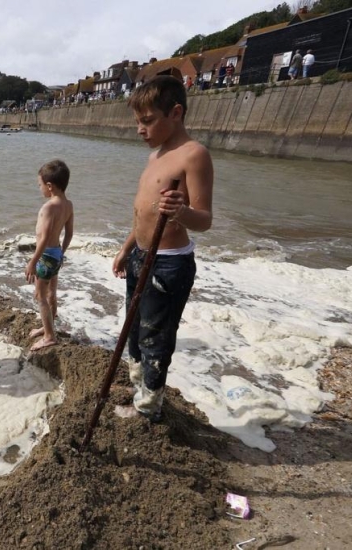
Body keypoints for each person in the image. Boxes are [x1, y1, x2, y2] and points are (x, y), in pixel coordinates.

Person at [112, 75, 214, 422]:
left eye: (148, 121)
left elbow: (204, 220)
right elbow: (142, 213)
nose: (140, 129)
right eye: (137, 122)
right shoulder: (155, 156)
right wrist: (127, 248)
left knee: (156, 337)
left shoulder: (193, 155)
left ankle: (148, 409)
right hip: (141, 255)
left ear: (176, 113)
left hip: (168, 263)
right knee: (134, 330)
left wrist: (182, 212)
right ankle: (141, 388)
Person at [25, 160, 74, 352]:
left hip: (45, 256)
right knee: (52, 292)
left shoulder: (48, 208)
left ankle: (49, 336)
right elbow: (69, 233)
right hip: (57, 254)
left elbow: (44, 238)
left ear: (50, 186)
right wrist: (62, 252)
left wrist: (32, 262)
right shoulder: (68, 205)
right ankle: (49, 326)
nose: (40, 189)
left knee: (40, 296)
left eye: (40, 185)